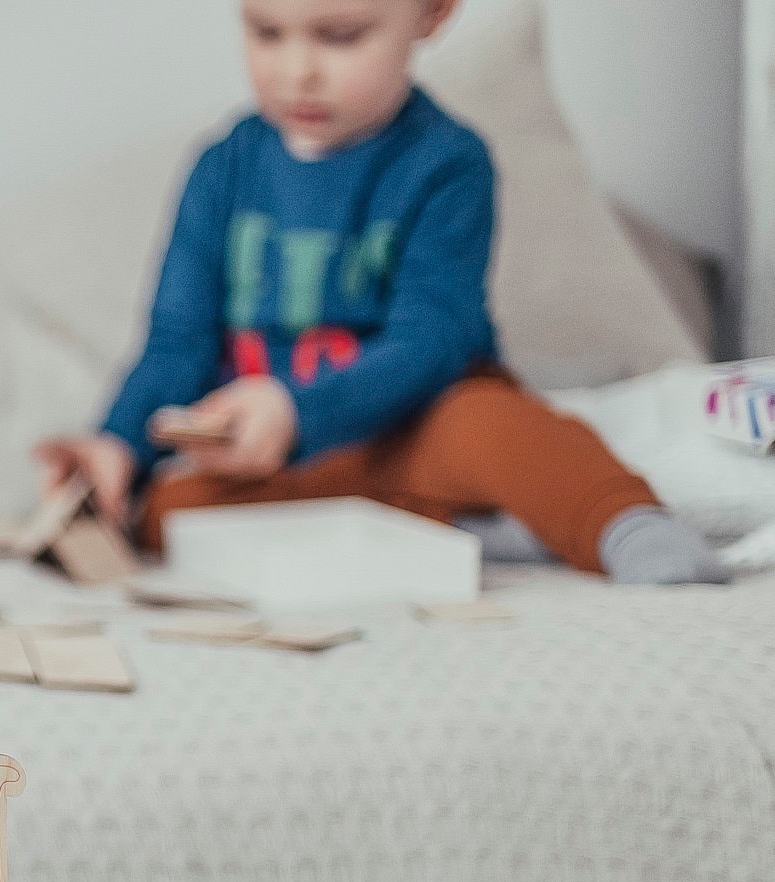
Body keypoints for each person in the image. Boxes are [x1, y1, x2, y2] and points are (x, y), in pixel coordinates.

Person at [35, 0, 725, 585]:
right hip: (278, 464)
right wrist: (117, 444)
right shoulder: (223, 167)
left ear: (431, 12)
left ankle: (624, 526)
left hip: (412, 428)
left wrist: (297, 411)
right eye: (266, 32)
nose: (297, 70)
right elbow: (176, 341)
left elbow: (435, 338)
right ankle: (453, 529)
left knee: (498, 429)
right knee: (169, 510)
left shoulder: (448, 161)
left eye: (341, 36)